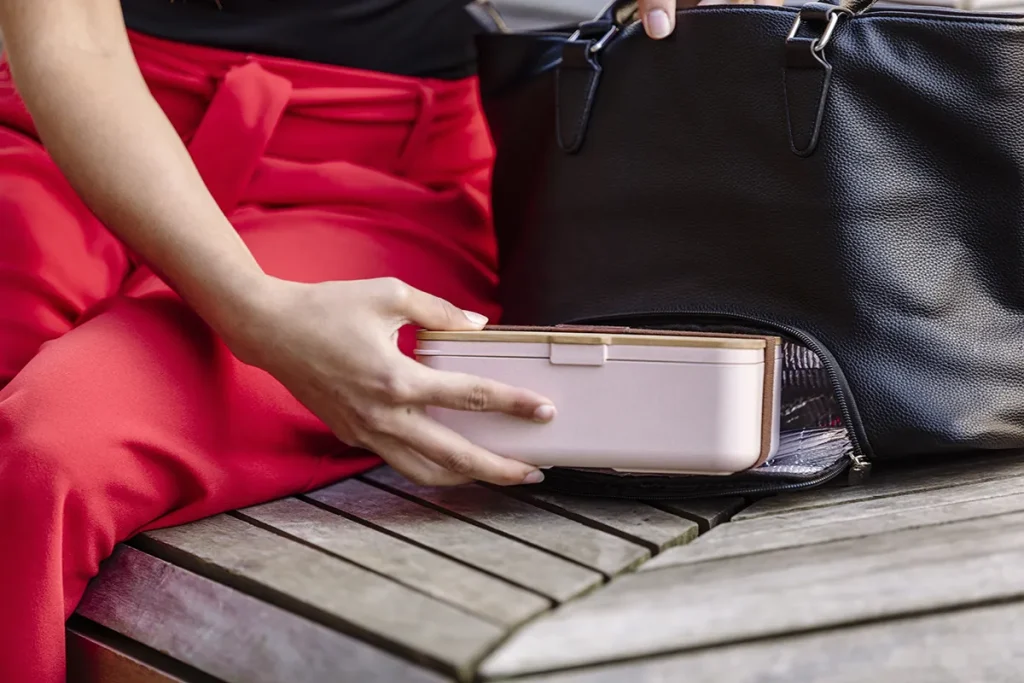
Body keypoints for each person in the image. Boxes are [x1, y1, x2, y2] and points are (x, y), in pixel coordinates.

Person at [0, 0, 696, 678]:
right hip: (65, 124)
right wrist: (251, 309)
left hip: (374, 175)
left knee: (55, 451)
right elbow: (72, 39)